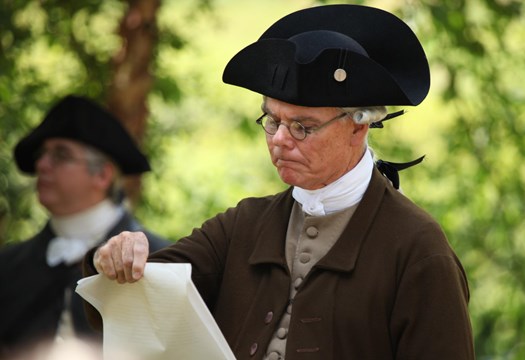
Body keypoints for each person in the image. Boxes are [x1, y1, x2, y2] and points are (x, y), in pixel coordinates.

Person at [86, 4, 475, 359]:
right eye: (272, 121)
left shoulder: (418, 249)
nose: (279, 141)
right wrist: (116, 258)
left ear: (360, 125)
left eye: (302, 127)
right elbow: (130, 303)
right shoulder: (243, 226)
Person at [0, 95, 170, 356]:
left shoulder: (158, 261)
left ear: (102, 175)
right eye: (42, 154)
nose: (42, 165)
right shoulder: (8, 266)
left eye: (61, 155)